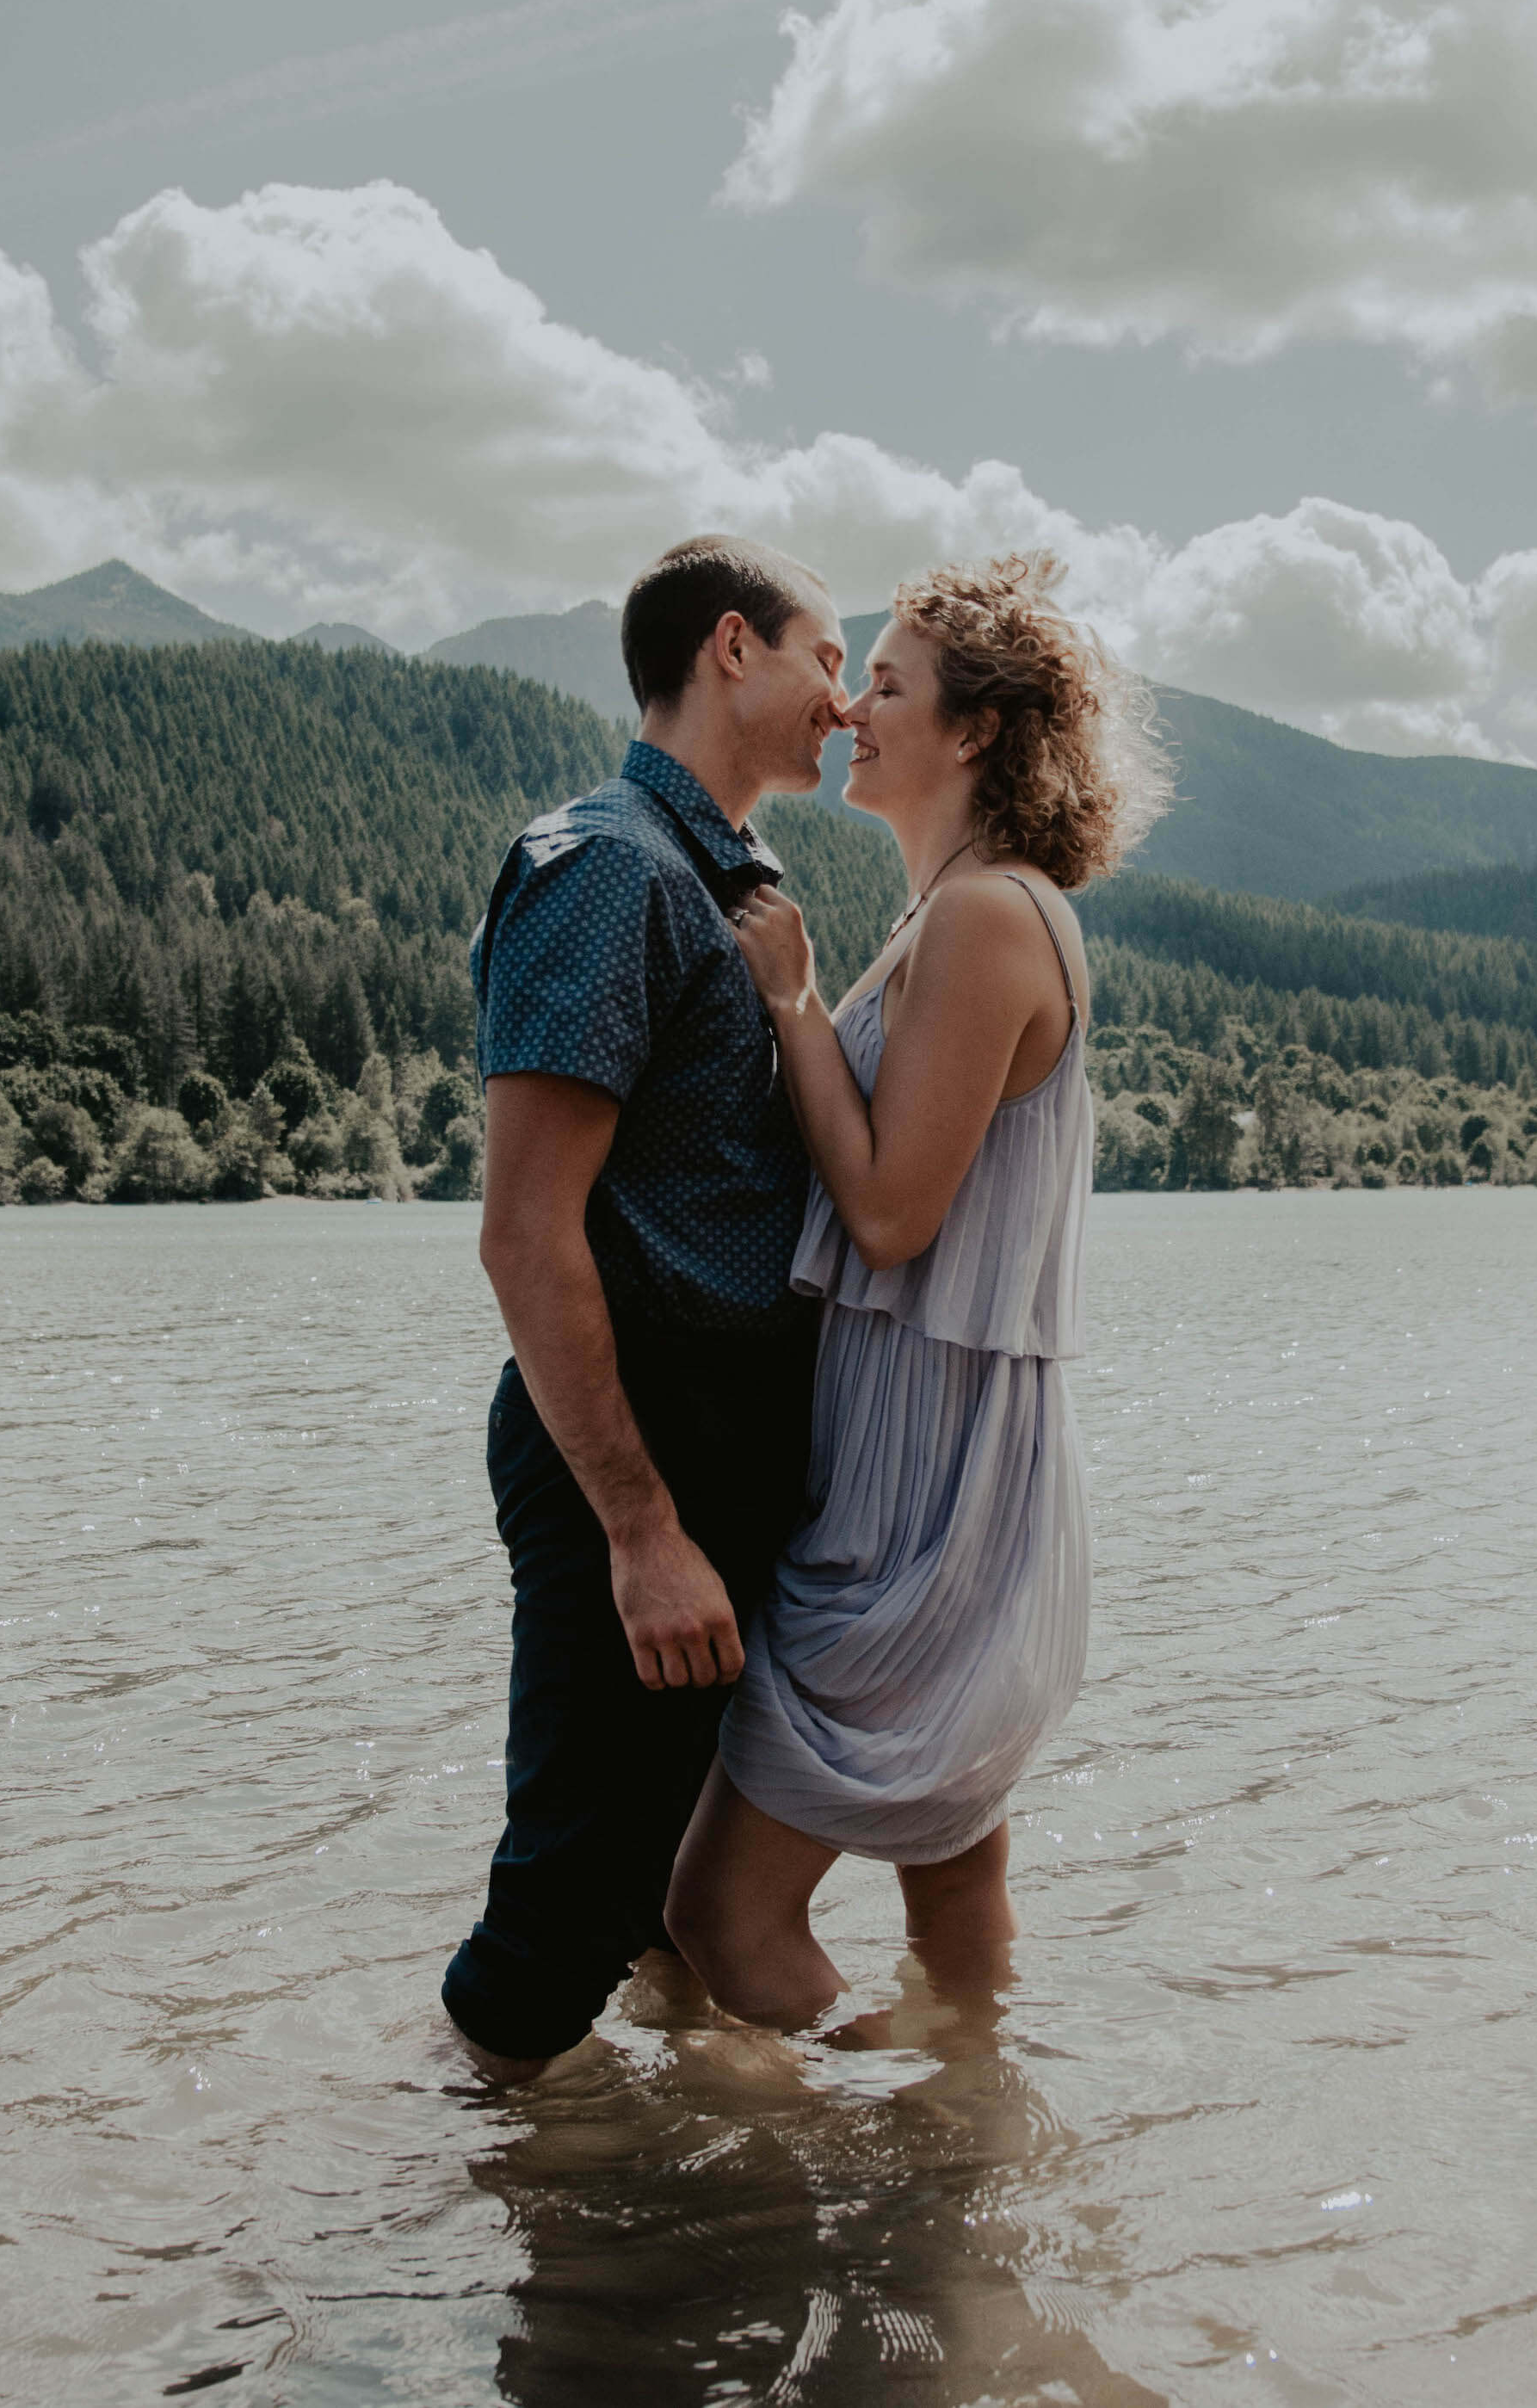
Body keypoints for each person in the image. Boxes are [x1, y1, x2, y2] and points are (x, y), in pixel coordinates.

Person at [665, 551, 1164, 2028]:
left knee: (713, 1909)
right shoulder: (954, 912)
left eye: (887, 684)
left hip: (923, 1496)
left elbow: (888, 1215)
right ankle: (978, 2132)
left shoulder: (985, 918)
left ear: (976, 734)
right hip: (942, 1462)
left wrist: (792, 1003)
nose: (851, 708)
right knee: (950, 1881)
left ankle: (905, 2165)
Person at [440, 534, 848, 2078]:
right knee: (569, 1913)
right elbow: (525, 1236)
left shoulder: (736, 883)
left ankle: (654, 2246)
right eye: (830, 658)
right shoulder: (607, 869)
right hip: (640, 1444)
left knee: (677, 1909)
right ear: (731, 648)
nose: (849, 702)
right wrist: (639, 1528)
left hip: (724, 1443)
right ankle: (402, 2245)